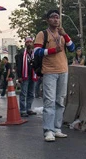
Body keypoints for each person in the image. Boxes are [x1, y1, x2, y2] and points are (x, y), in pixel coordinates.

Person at [34, 9, 75, 142]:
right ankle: (48, 130)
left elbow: (72, 48)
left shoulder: (62, 34)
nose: (56, 20)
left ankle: (57, 128)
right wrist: (52, 50)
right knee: (49, 101)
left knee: (60, 101)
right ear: (47, 20)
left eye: (57, 17)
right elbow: (36, 51)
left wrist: (66, 35)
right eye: (53, 17)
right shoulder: (43, 34)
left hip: (63, 70)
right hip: (49, 71)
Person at [16, 37, 38, 117]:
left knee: (31, 93)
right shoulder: (22, 53)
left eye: (30, 42)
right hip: (24, 75)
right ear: (25, 44)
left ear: (33, 43)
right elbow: (18, 65)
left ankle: (29, 108)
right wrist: (19, 76)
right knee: (23, 93)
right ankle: (22, 110)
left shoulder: (34, 53)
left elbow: (37, 64)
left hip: (33, 75)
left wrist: (38, 73)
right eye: (27, 42)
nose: (29, 44)